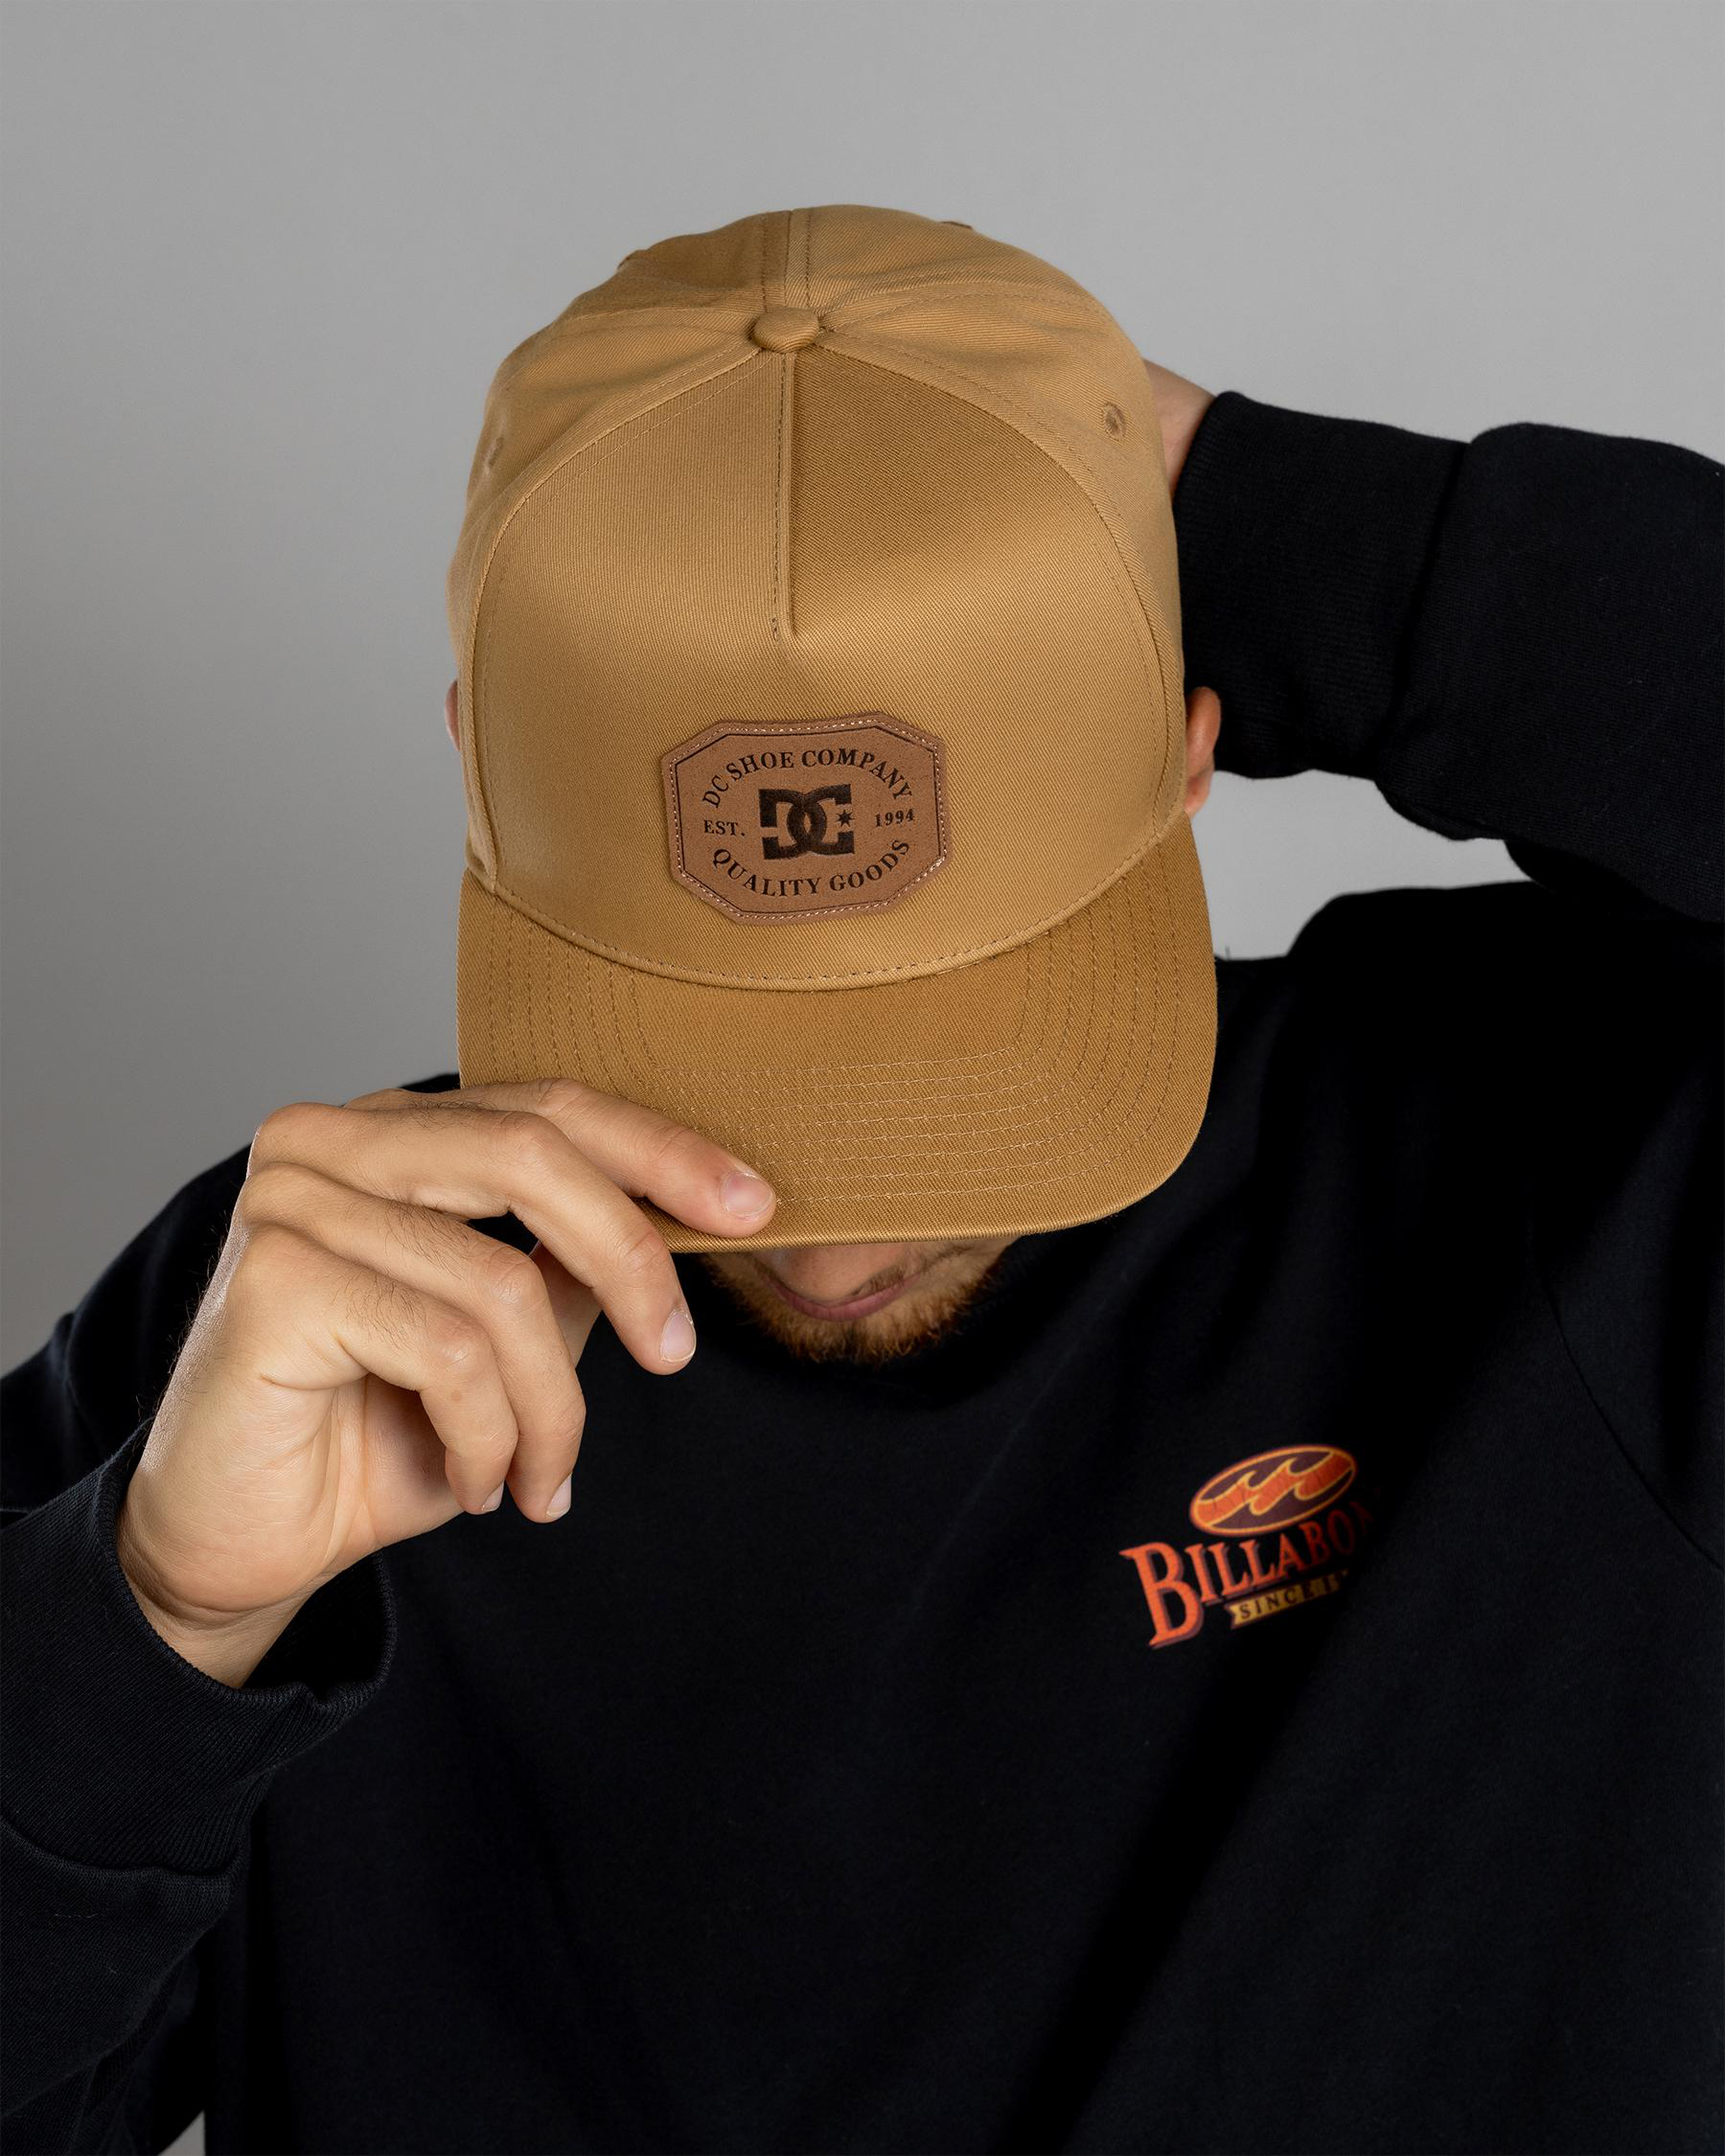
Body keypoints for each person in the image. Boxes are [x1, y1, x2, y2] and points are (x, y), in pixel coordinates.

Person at [3, 205, 1719, 2156]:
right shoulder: (294, 1341)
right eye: (717, 1051)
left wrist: (1262, 523)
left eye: (950, 1061)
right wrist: (147, 1623)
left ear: (1183, 754)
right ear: (482, 782)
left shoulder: (1545, 1151)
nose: (825, 1240)